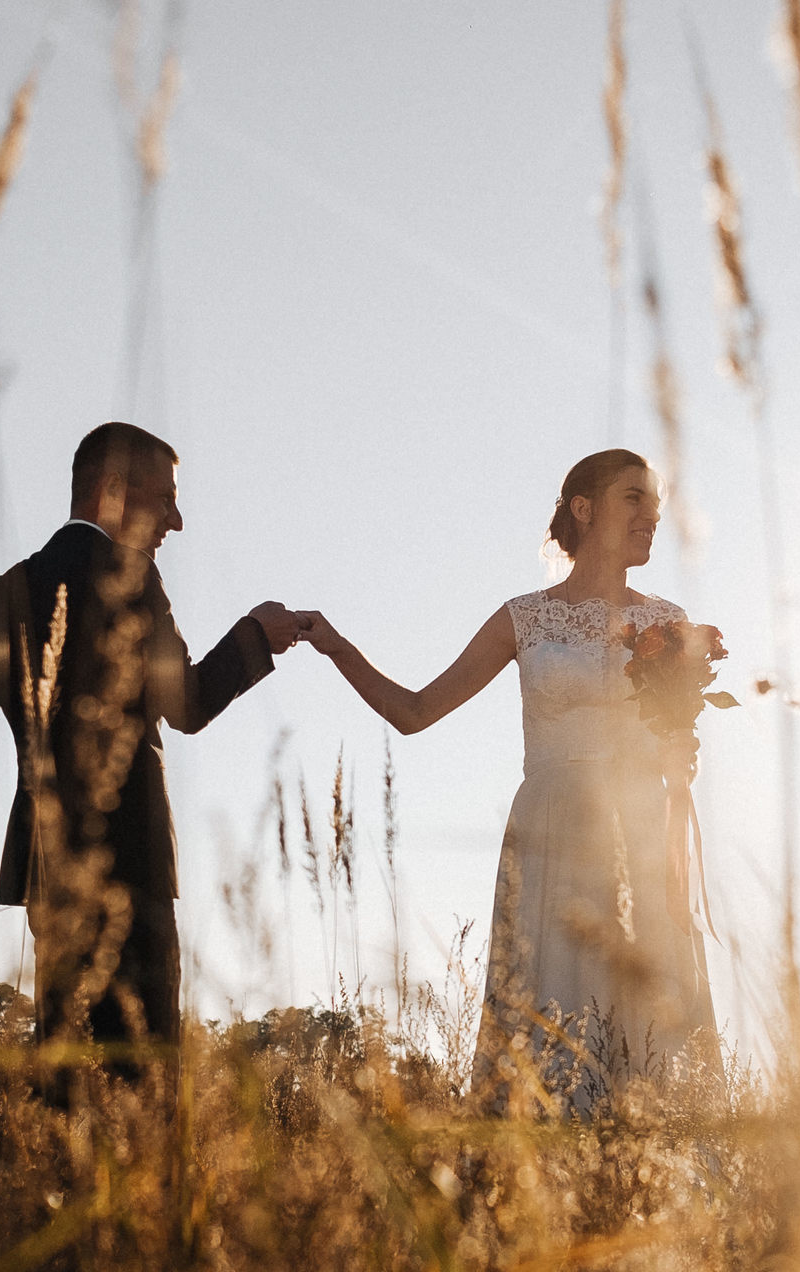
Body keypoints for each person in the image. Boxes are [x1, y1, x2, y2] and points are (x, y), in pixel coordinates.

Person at [0, 421, 305, 1068]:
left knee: (67, 1070)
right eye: (165, 498)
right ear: (111, 492)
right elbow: (186, 704)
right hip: (134, 871)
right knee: (143, 1077)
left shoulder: (3, 597)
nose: (177, 520)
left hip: (48, 872)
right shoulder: (133, 580)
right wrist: (255, 636)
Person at [298, 449, 717, 1111]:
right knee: (551, 1013)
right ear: (585, 508)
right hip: (551, 834)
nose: (652, 514)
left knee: (647, 1016)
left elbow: (675, 741)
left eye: (655, 502)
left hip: (639, 835)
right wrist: (337, 646)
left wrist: (678, 759)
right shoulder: (525, 618)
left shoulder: (667, 622)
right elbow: (414, 712)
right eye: (634, 497)